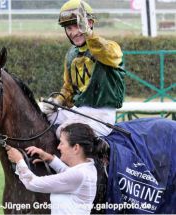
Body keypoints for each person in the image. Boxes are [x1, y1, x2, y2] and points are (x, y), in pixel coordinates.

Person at [40, 0, 126, 137]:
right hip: (78, 111)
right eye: (69, 28)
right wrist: (57, 102)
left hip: (102, 115)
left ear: (90, 23)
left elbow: (104, 50)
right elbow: (68, 88)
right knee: (40, 121)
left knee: (67, 135)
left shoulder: (110, 47)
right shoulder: (71, 54)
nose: (74, 32)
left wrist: (89, 35)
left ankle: (90, 159)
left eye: (78, 26)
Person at [6, 123, 105, 214]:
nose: (58, 147)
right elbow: (68, 173)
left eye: (62, 143)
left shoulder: (79, 174)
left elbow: (32, 183)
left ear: (76, 148)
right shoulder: (88, 167)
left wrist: (19, 160)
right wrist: (49, 159)